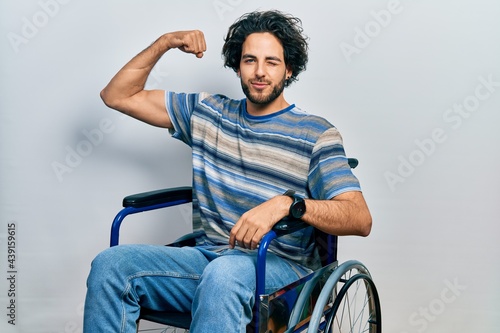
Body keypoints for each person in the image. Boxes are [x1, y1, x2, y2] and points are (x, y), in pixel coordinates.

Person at [83, 10, 372, 333]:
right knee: (111, 266)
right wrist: (165, 43)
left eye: (272, 62)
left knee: (225, 274)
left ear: (289, 69)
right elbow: (117, 96)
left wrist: (286, 204)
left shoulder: (316, 133)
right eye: (250, 60)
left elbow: (359, 218)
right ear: (237, 65)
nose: (260, 72)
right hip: (208, 261)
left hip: (283, 274)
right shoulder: (207, 113)